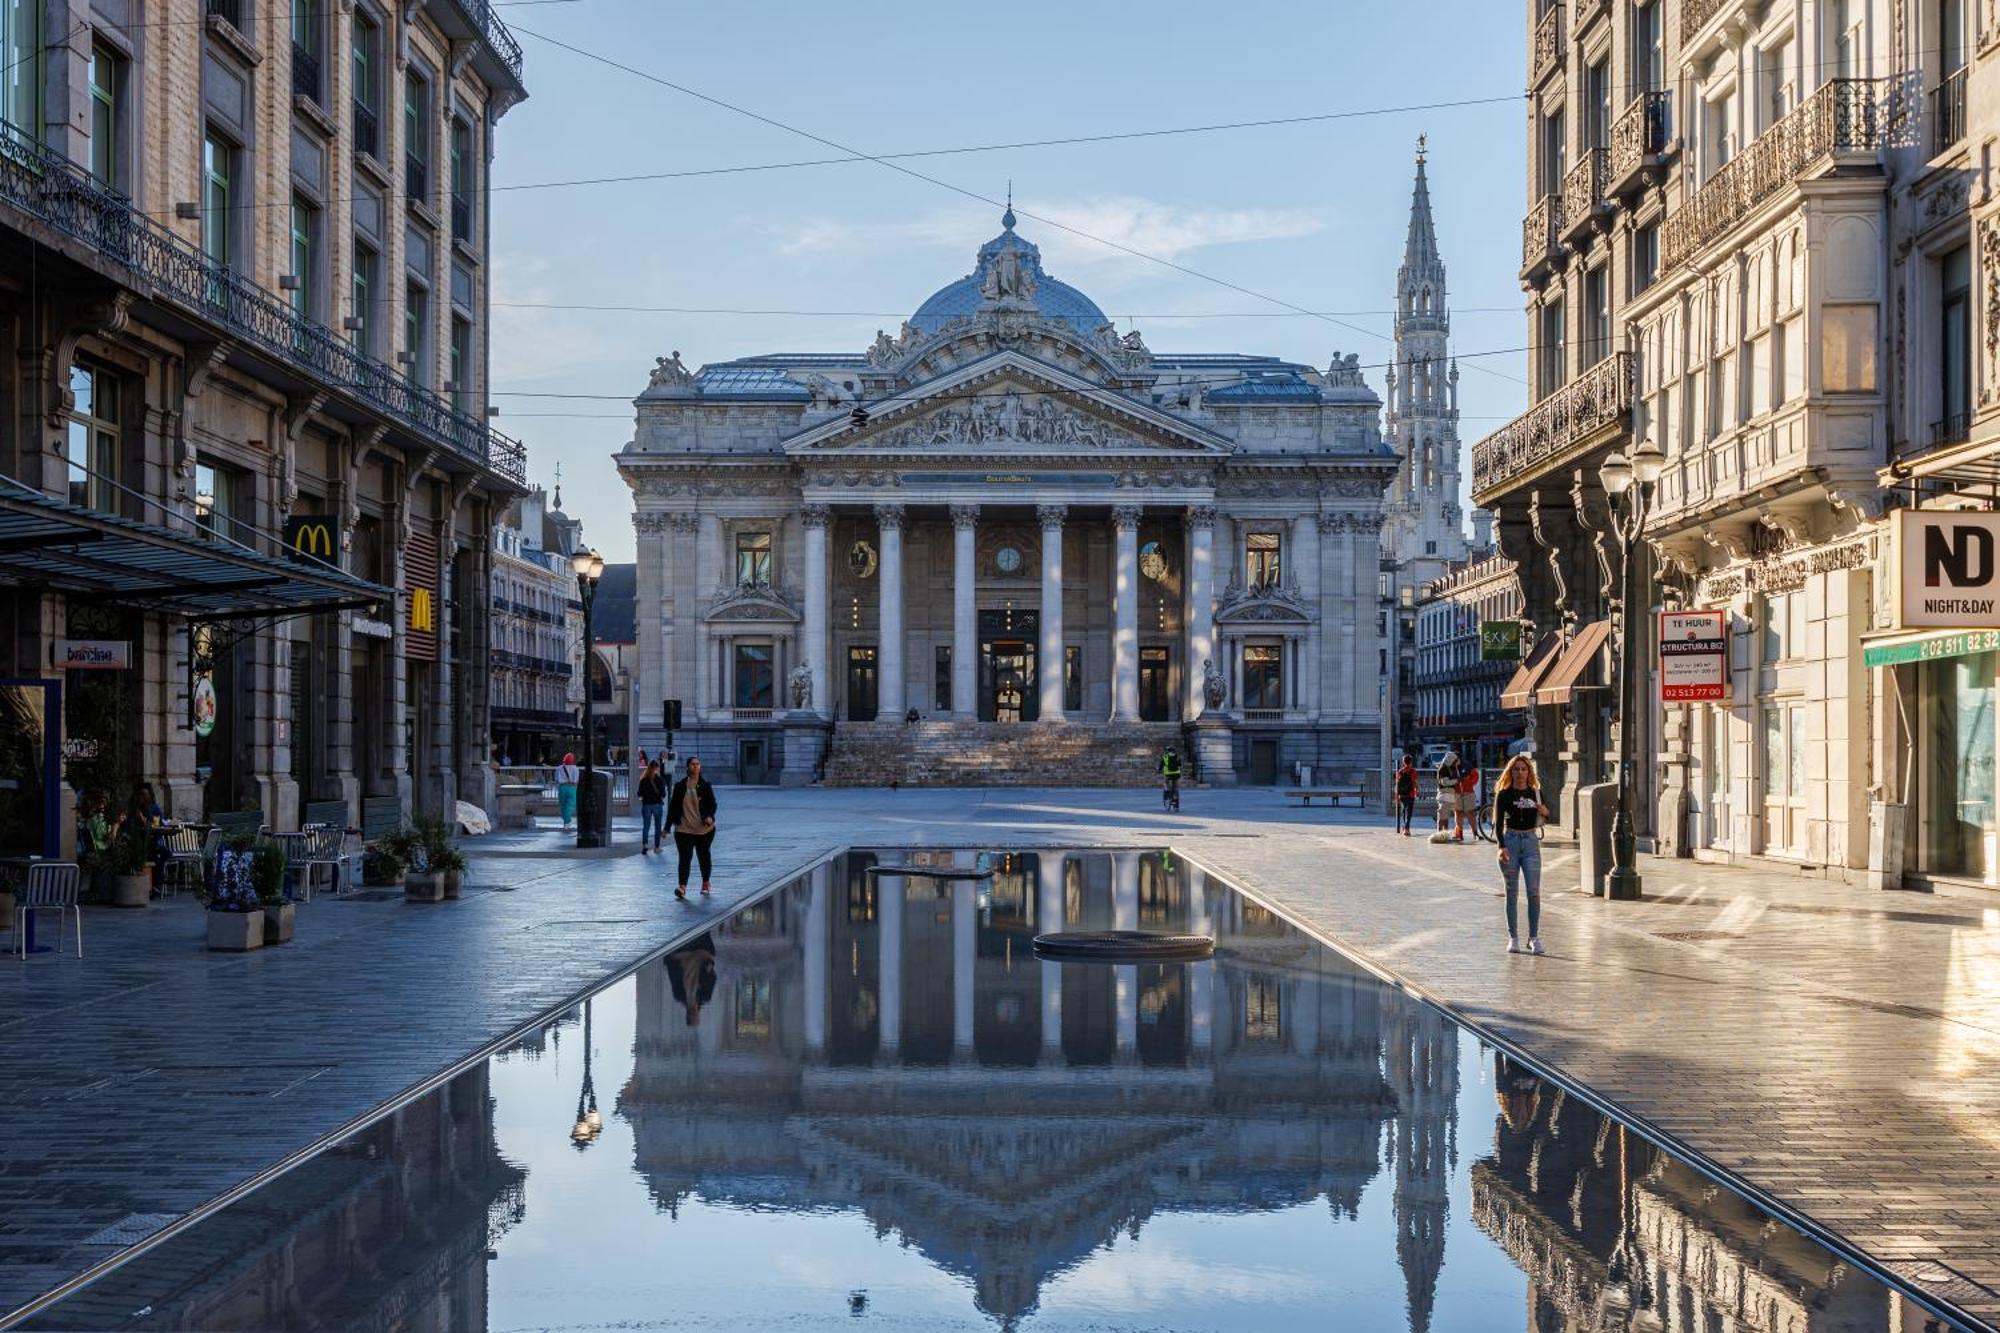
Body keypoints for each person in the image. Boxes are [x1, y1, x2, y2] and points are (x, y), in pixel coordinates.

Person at [1494, 754, 1550, 955]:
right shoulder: (1504, 794)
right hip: (1510, 841)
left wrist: (1545, 811)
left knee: (1533, 891)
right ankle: (1513, 938)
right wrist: (1501, 846)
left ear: (1529, 772)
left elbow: (1546, 816)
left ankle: (1533, 938)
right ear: (1511, 772)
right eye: (1516, 769)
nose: (1520, 772)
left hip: (1530, 842)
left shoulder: (1535, 793)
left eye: (1523, 769)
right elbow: (1498, 823)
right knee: (1511, 892)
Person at [668, 755, 717, 900]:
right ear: (687, 767)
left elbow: (712, 804)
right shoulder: (680, 786)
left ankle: (706, 883)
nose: (696, 766)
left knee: (703, 856)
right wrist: (666, 827)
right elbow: (673, 807)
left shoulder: (705, 785)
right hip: (684, 829)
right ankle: (682, 887)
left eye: (698, 764)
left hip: (704, 829)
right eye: (693, 764)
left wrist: (709, 816)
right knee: (685, 858)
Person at [664, 931, 718, 1026]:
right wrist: (708, 968)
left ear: (687, 1015)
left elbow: (672, 971)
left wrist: (684, 966)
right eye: (695, 1016)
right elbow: (712, 977)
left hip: (683, 956)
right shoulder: (705, 996)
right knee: (707, 952)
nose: (693, 1014)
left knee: (682, 952)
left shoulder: (679, 995)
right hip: (700, 954)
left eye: (691, 1016)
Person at [1434, 750, 1467, 841]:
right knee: (1442, 817)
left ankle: (1444, 835)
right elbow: (1445, 782)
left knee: (1445, 817)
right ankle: (1439, 834)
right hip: (1444, 794)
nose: (1456, 762)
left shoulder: (1450, 768)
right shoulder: (1443, 769)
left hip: (1449, 795)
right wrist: (1457, 780)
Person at [554, 752, 581, 831]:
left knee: (563, 805)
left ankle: (566, 822)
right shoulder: (575, 768)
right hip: (572, 787)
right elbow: (577, 780)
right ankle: (567, 822)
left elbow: (556, 779)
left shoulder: (559, 768)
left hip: (562, 787)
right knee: (570, 805)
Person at [1392, 756, 1418, 835]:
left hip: (1402, 795)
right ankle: (1407, 828)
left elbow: (1397, 785)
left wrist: (1396, 795)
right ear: (1411, 762)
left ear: (1403, 762)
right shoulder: (1413, 771)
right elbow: (1415, 783)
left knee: (1403, 811)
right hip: (1411, 794)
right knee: (1409, 812)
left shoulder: (1400, 771)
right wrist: (1417, 791)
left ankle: (1405, 827)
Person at [1159, 746, 1183, 811]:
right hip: (1176, 774)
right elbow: (1180, 765)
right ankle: (1176, 806)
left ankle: (1167, 793)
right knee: (1175, 788)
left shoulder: (1165, 756)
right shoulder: (1177, 756)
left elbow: (1161, 766)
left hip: (1168, 774)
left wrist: (1159, 770)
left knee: (1166, 783)